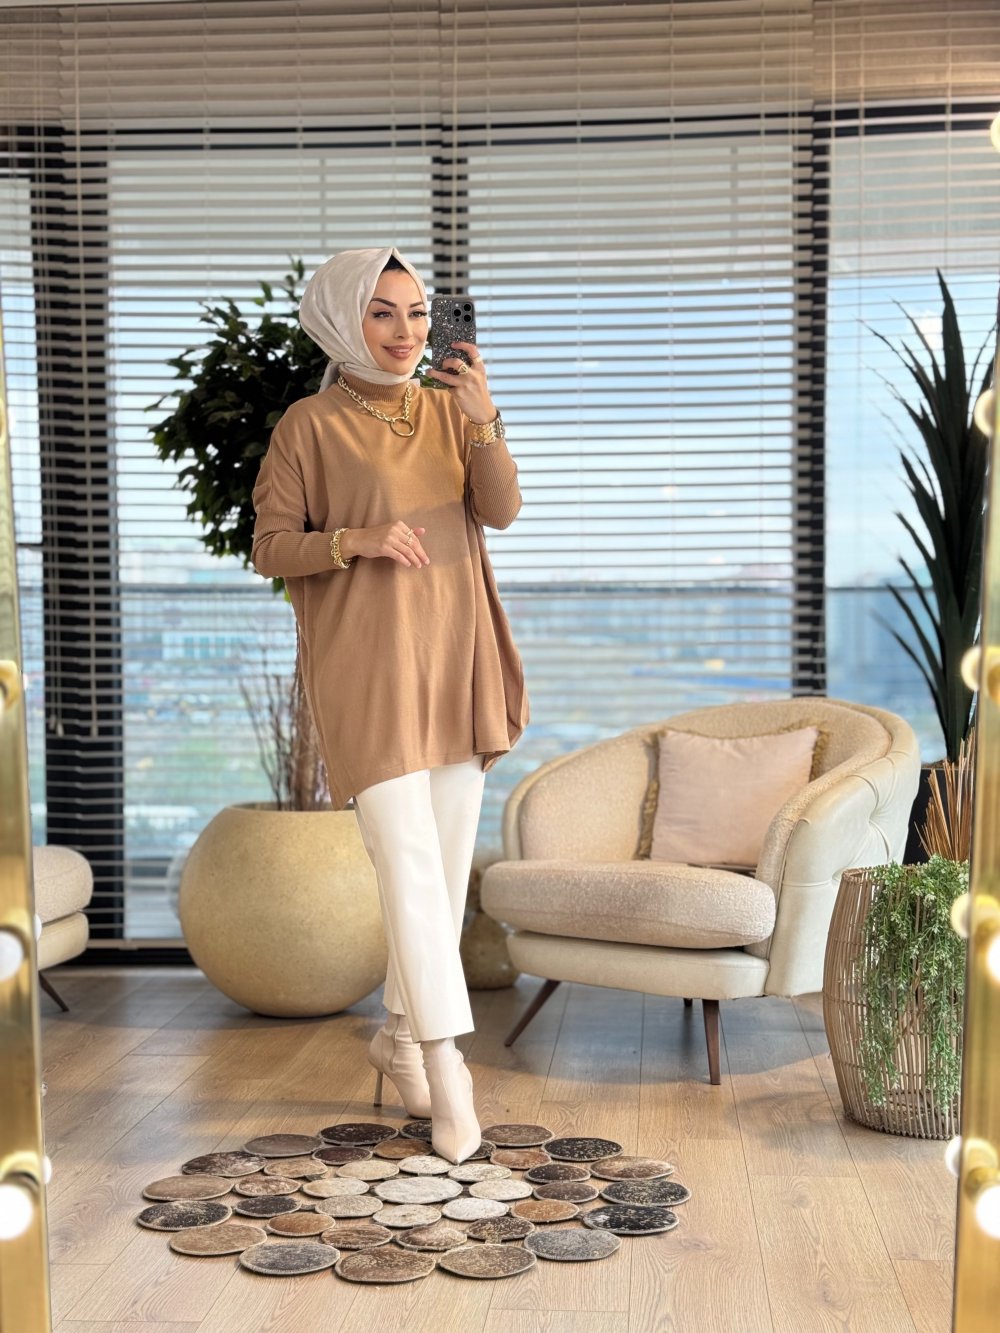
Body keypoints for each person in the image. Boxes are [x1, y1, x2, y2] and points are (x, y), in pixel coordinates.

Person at [250, 247, 529, 1163]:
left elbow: (501, 510)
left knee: (440, 873)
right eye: (382, 312)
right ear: (342, 318)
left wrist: (484, 419)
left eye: (416, 312)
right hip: (367, 669)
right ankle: (449, 1070)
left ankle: (402, 1038)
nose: (406, 331)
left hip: (456, 654)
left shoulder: (450, 408)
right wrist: (356, 540)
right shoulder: (308, 425)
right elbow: (270, 546)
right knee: (409, 863)